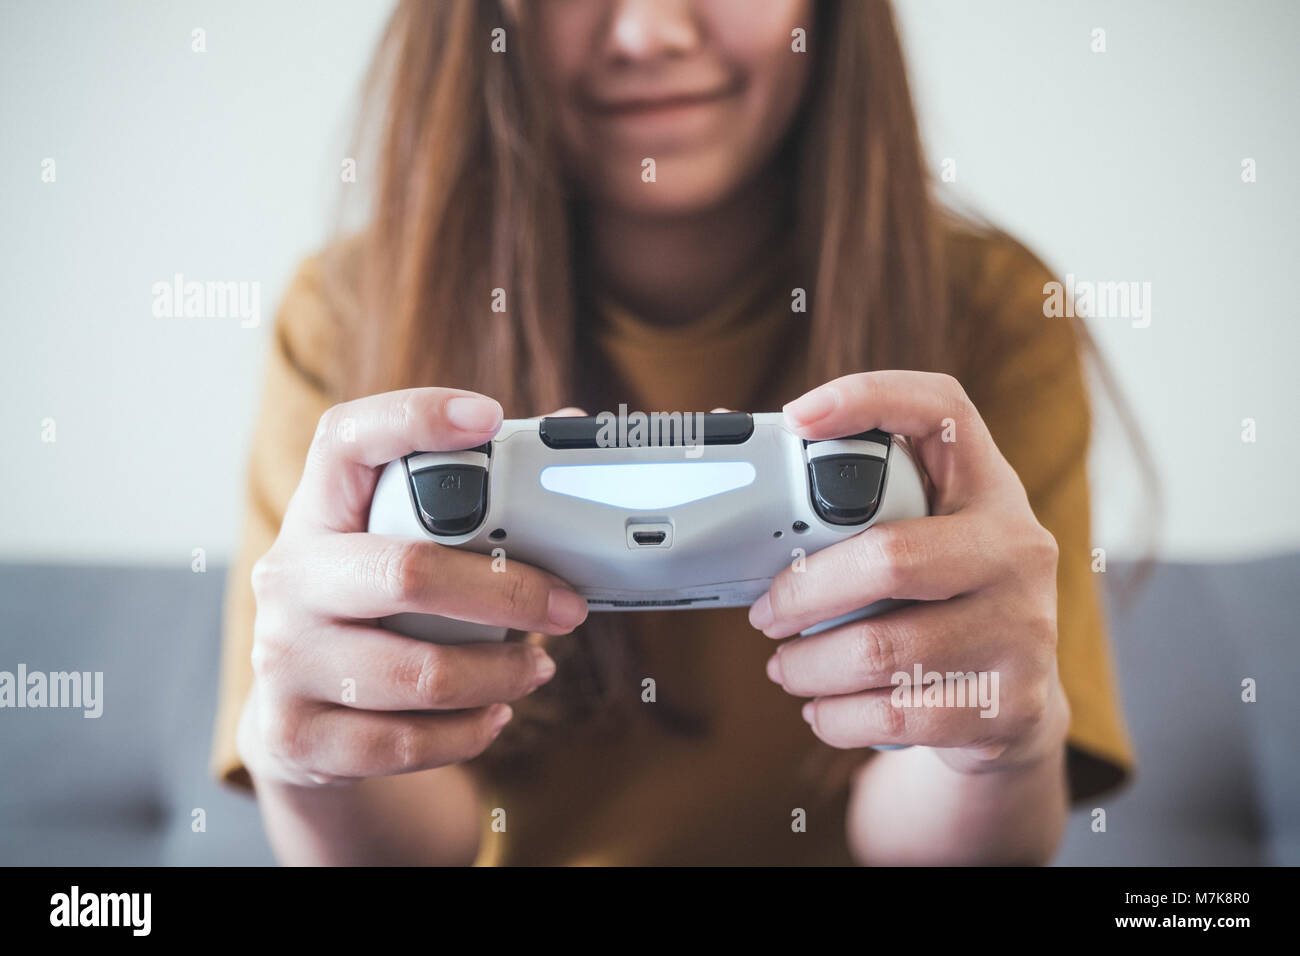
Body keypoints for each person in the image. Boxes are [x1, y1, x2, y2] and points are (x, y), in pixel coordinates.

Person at [211, 0, 1134, 865]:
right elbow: (415, 846)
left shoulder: (994, 313)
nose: (649, 31)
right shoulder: (346, 316)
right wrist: (304, 751)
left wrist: (1005, 737)